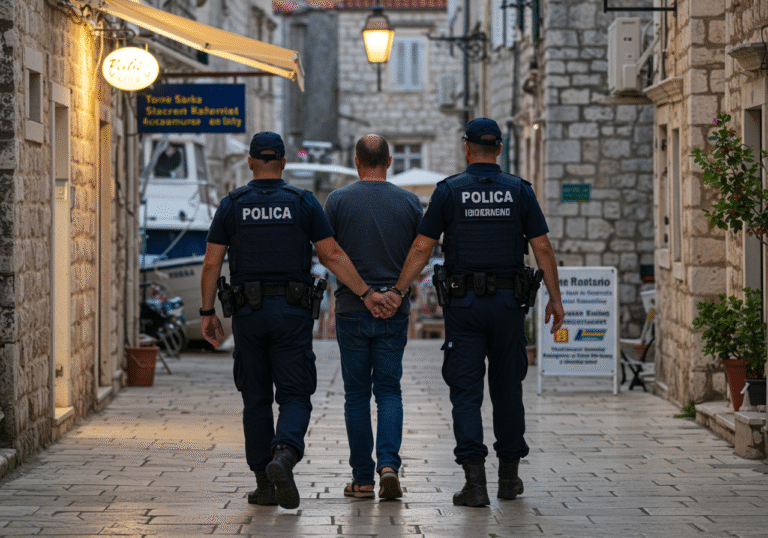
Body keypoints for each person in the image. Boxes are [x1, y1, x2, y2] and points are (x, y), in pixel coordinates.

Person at [200, 132, 390, 510]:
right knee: (295, 393)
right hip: (291, 313)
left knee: (255, 398)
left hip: (248, 315)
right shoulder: (302, 202)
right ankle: (284, 455)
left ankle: (263, 484)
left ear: (251, 162)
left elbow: (211, 262)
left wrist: (207, 313)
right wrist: (367, 293)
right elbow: (332, 254)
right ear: (284, 163)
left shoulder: (232, 204)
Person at [384, 118, 565, 507]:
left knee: (465, 392)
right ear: (499, 149)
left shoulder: (449, 192)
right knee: (507, 389)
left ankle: (475, 482)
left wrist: (399, 291)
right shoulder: (519, 191)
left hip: (464, 307)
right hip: (508, 305)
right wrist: (556, 298)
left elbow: (421, 248)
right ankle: (508, 479)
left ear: (467, 148)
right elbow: (543, 248)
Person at [323, 135, 423, 500]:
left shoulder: (337, 201)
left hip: (352, 309)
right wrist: (393, 293)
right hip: (394, 312)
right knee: (389, 390)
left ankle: (363, 479)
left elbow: (328, 253)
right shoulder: (410, 202)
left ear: (356, 162)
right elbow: (421, 252)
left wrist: (365, 294)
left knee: (356, 396)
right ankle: (389, 466)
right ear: (390, 161)